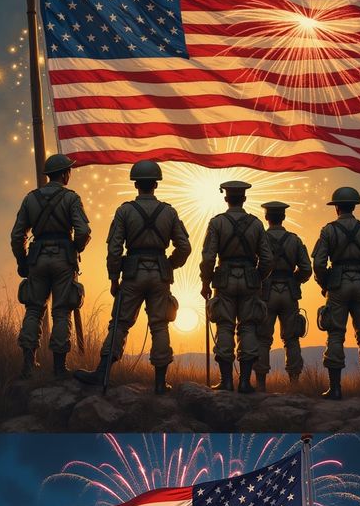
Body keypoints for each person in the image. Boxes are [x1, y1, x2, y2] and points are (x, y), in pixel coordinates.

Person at [80, 161, 191, 394]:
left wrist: (113, 277)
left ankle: (103, 372)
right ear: (155, 184)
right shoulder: (169, 212)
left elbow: (114, 249)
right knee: (160, 325)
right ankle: (160, 383)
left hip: (132, 274)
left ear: (136, 184)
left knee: (120, 322)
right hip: (160, 274)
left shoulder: (124, 211)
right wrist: (170, 264)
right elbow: (184, 246)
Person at [11, 154, 91, 382]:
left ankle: (28, 365)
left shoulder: (30, 199)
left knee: (34, 310)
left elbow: (17, 236)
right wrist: (74, 249)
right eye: (69, 170)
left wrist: (22, 261)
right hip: (63, 258)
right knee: (62, 310)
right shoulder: (71, 198)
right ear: (65, 173)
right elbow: (83, 231)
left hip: (37, 258)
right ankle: (59, 367)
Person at [310, 186, 360, 399]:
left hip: (337, 285)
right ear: (354, 206)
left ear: (336, 208)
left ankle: (335, 389)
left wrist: (324, 283)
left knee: (335, 334)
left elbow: (318, 263)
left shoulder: (328, 230)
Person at [200, 180, 267, 393]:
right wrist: (257, 277)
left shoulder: (217, 223)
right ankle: (245, 382)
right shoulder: (256, 224)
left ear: (226, 198)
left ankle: (226, 381)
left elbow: (209, 257)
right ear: (244, 199)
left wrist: (205, 281)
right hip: (249, 280)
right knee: (248, 327)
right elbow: (267, 258)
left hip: (225, 279)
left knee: (225, 326)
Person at [255, 200, 312, 388]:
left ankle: (261, 383)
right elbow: (306, 268)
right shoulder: (294, 240)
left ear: (266, 217)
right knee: (291, 338)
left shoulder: (260, 238)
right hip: (289, 292)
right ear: (284, 217)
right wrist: (294, 280)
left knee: (263, 338)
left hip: (265, 292)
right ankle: (294, 383)